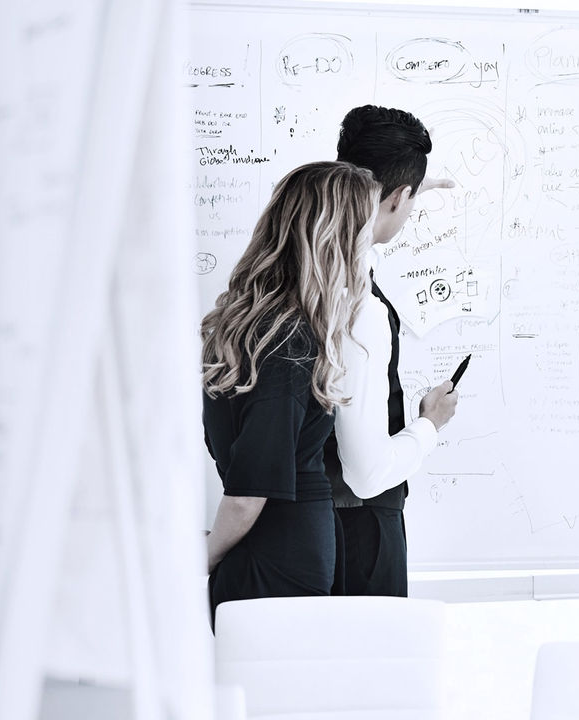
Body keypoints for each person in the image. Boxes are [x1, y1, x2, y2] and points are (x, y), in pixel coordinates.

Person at [201, 161, 379, 627]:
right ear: (335, 240)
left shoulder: (261, 330)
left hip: (274, 556)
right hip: (275, 562)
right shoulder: (289, 339)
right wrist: (202, 559)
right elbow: (247, 496)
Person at [325, 105, 457, 597]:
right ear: (399, 197)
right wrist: (430, 425)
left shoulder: (311, 267)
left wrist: (406, 194)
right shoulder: (359, 301)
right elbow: (366, 473)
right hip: (359, 533)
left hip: (308, 524)